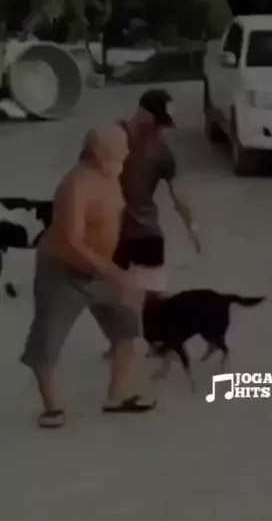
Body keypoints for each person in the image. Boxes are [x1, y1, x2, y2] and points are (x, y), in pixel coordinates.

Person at [20, 123, 156, 428]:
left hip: (100, 270)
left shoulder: (109, 177)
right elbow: (71, 240)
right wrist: (113, 273)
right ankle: (52, 406)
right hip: (63, 271)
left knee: (125, 324)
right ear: (98, 152)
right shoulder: (76, 185)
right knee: (48, 339)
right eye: (119, 150)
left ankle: (118, 393)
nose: (126, 154)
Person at [103, 88, 200, 357]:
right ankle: (119, 342)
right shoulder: (109, 138)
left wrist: (192, 226)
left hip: (146, 233)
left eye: (164, 125)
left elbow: (178, 193)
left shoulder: (162, 152)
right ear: (144, 114)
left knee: (154, 295)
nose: (161, 130)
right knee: (112, 294)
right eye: (159, 123)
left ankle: (159, 341)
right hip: (110, 232)